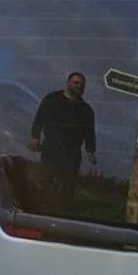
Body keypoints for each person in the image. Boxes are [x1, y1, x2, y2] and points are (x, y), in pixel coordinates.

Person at [30, 71, 97, 208]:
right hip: (52, 147)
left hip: (73, 151)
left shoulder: (85, 109)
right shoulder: (52, 99)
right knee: (48, 178)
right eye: (76, 83)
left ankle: (64, 209)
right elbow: (39, 118)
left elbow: (89, 132)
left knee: (68, 183)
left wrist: (90, 151)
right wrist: (35, 136)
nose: (79, 87)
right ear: (68, 83)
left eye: (82, 85)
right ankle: (45, 206)